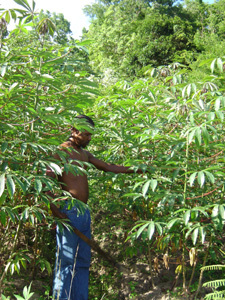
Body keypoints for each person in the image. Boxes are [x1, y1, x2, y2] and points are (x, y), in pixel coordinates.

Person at [46, 115, 142, 300]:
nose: (89, 139)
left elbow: (108, 167)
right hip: (67, 210)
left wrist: (137, 168)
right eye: (86, 135)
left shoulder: (84, 154)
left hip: (83, 212)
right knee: (65, 261)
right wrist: (55, 211)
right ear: (73, 131)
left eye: (91, 135)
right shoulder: (60, 152)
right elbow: (47, 182)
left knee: (82, 261)